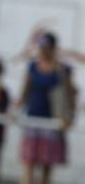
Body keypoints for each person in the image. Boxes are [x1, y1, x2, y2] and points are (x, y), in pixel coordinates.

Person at [17, 32, 76, 184]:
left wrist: (70, 116)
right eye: (41, 47)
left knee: (46, 165)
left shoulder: (63, 69)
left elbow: (70, 94)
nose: (43, 51)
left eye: (47, 47)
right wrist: (15, 109)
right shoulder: (33, 67)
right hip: (33, 118)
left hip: (52, 121)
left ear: (53, 48)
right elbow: (25, 91)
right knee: (28, 163)